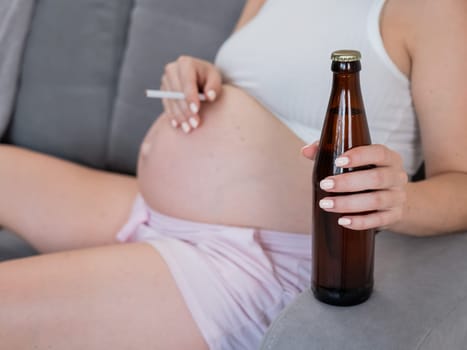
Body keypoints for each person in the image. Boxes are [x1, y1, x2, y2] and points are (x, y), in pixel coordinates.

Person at [0, 0, 466, 349]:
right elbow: (249, 90)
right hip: (152, 207)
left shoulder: (434, 8)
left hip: (253, 260)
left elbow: (461, 181)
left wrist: (397, 201)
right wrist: (197, 75)